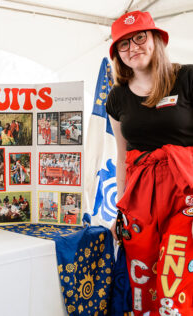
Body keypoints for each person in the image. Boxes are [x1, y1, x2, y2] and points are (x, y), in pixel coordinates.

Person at [106, 11, 193, 314]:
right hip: (139, 198)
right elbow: (121, 157)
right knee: (140, 272)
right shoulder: (116, 98)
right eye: (124, 44)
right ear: (117, 55)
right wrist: (121, 207)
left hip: (185, 192)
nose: (133, 47)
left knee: (176, 275)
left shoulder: (186, 77)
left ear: (156, 39)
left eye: (139, 37)